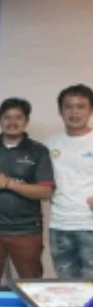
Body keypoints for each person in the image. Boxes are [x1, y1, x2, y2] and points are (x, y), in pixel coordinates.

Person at [0, 98, 54, 287]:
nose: (12, 122)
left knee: (32, 285)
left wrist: (8, 184)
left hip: (26, 231)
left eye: (18, 117)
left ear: (26, 121)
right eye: (7, 117)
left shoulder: (38, 151)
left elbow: (45, 192)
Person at [47, 84, 93, 279]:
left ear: (90, 110)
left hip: (90, 225)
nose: (74, 112)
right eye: (69, 106)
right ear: (60, 111)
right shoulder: (50, 144)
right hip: (60, 226)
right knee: (66, 288)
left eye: (81, 106)